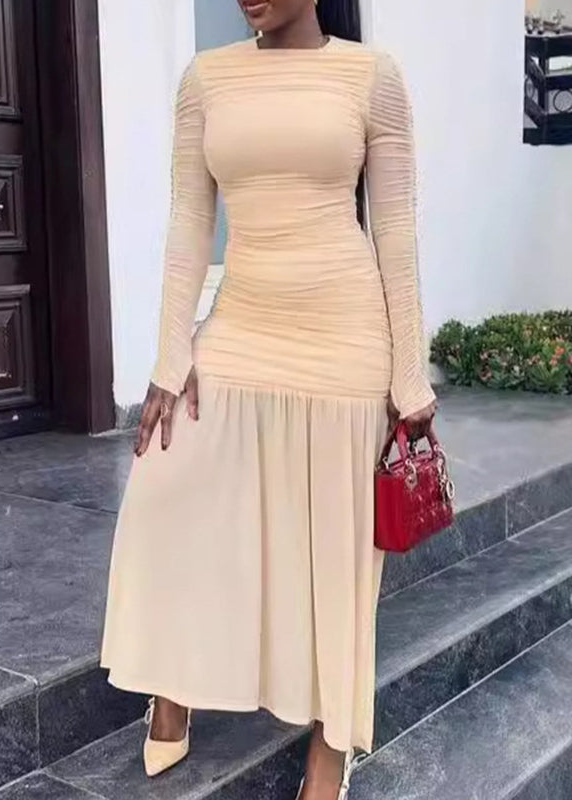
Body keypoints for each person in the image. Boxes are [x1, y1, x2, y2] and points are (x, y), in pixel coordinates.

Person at [100, 0, 437, 797]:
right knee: (167, 492)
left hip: (344, 335)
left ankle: (333, 740)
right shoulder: (207, 79)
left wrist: (410, 374)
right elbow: (190, 217)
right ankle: (173, 679)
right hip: (243, 321)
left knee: (337, 548)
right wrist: (171, 356)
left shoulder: (371, 76)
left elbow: (395, 229)